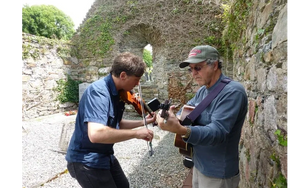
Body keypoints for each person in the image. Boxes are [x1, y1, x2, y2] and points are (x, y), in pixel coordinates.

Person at [156, 45, 248, 188]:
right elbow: (187, 111)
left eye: (198, 68)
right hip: (199, 164)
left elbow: (218, 132)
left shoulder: (233, 92)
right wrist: (173, 116)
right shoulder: (203, 91)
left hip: (218, 173)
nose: (193, 73)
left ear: (215, 65)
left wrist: (182, 130)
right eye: (190, 69)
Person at [65, 52, 157, 188]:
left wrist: (145, 122)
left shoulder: (118, 92)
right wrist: (136, 134)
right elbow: (96, 134)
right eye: (137, 79)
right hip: (86, 160)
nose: (138, 84)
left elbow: (116, 124)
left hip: (105, 156)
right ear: (123, 75)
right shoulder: (99, 92)